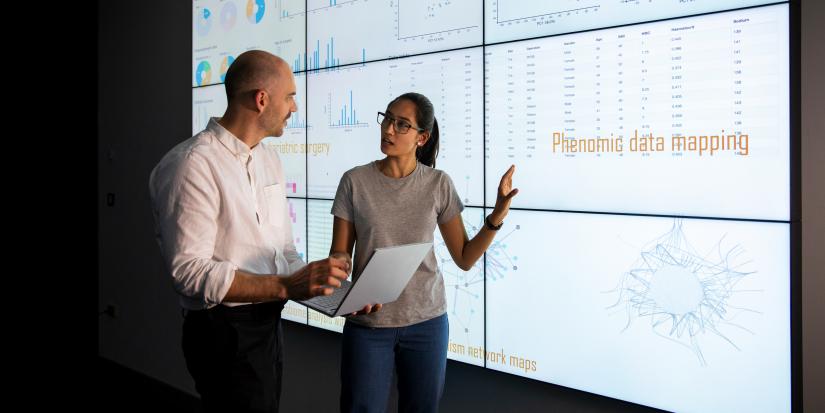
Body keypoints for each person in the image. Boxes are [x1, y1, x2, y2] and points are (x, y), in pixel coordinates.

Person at [149, 50, 351, 413]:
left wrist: (330, 292)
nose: (295, 107)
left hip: (266, 322)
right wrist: (286, 286)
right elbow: (189, 272)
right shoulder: (191, 165)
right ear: (261, 100)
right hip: (221, 330)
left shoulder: (268, 159)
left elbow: (283, 252)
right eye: (290, 96)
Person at [330, 92, 518, 412]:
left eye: (402, 125)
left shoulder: (438, 184)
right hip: (368, 324)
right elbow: (339, 255)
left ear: (422, 137)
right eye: (387, 119)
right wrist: (336, 269)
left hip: (427, 324)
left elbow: (465, 257)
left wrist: (497, 215)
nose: (389, 129)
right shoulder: (354, 181)